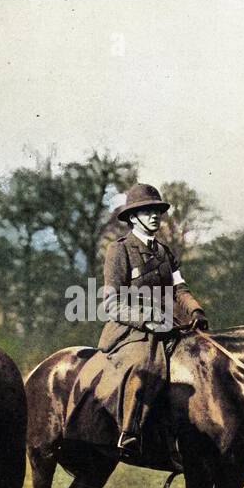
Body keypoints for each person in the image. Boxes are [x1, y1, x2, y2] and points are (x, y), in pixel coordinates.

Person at [95, 182, 208, 459]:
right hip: (131, 331)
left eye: (157, 211)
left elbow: (180, 289)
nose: (155, 216)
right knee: (148, 362)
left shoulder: (165, 253)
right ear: (133, 217)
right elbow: (111, 304)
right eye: (147, 211)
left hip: (170, 324)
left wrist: (195, 311)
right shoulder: (119, 251)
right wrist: (149, 320)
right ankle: (129, 433)